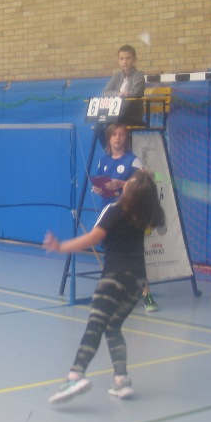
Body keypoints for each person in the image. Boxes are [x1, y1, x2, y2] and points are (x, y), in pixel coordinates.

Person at [43, 169, 164, 404]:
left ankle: (75, 375)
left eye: (129, 181)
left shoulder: (115, 209)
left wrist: (60, 247)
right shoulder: (145, 212)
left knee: (95, 325)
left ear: (129, 190)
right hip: (137, 282)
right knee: (113, 327)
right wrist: (143, 181)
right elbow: (142, 189)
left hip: (114, 278)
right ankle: (121, 380)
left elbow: (93, 238)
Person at [90, 122, 159, 313]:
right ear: (109, 138)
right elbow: (99, 183)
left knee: (135, 256)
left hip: (129, 214)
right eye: (114, 135)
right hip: (108, 212)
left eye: (121, 134)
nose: (118, 138)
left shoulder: (133, 161)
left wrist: (121, 184)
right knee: (111, 254)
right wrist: (98, 189)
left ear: (126, 138)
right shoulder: (103, 161)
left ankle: (146, 294)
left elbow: (147, 181)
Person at [101, 44, 146, 126]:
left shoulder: (139, 75)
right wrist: (118, 94)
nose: (124, 62)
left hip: (132, 115)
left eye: (128, 58)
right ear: (118, 60)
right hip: (116, 113)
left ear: (134, 60)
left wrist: (126, 94)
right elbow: (105, 92)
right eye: (121, 59)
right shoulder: (117, 75)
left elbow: (137, 92)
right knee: (99, 125)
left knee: (107, 125)